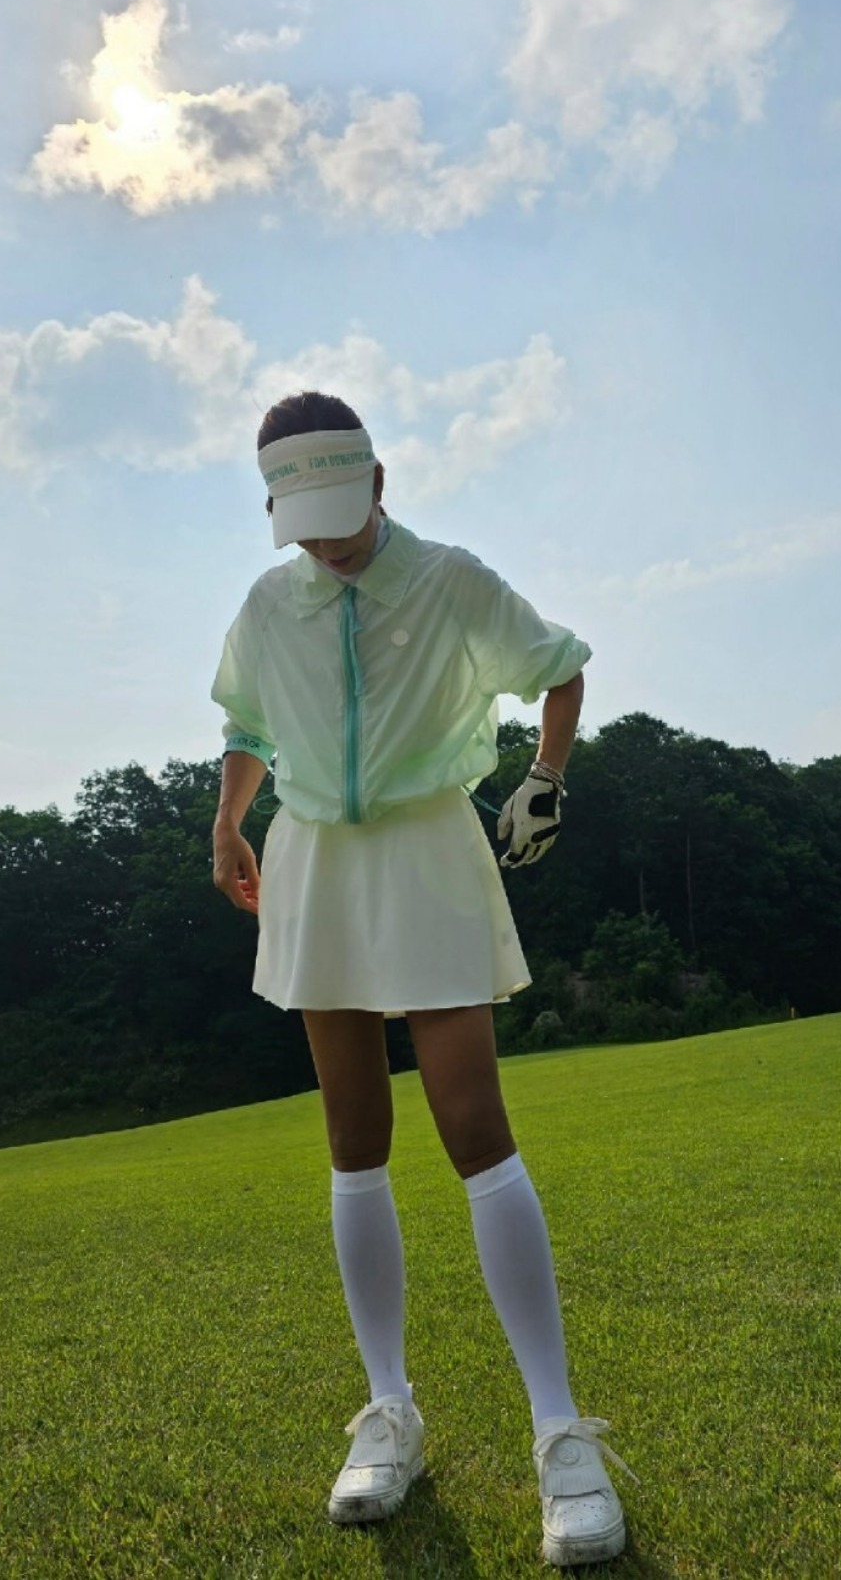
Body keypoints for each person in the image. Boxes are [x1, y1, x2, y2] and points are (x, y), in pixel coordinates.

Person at [210, 391, 631, 1567]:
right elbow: (247, 724)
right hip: (313, 862)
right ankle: (388, 1409)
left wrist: (544, 779)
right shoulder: (269, 602)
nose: (329, 545)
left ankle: (559, 1431)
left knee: (473, 1129)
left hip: (430, 848)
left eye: (342, 517)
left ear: (381, 483)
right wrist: (228, 821)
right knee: (353, 1139)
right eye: (305, 527)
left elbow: (559, 668)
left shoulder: (449, 579)